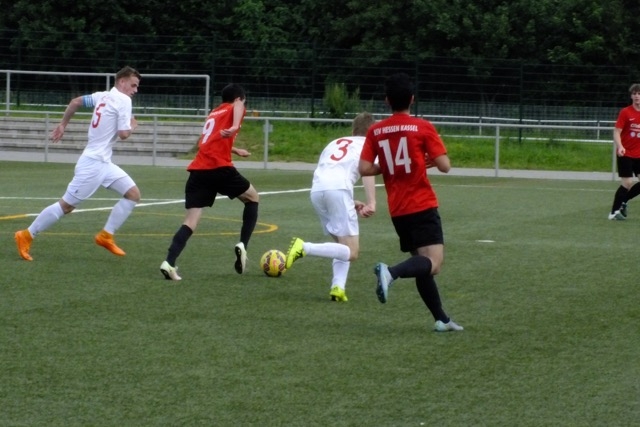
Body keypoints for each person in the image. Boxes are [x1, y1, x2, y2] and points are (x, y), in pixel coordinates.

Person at [358, 72, 463, 332]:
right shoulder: (422, 127)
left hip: (398, 210)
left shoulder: (375, 130)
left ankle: (441, 319)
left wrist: (389, 166)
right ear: (412, 99)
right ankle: (391, 272)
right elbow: (445, 166)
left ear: (387, 100)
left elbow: (365, 168)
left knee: (421, 264)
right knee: (434, 263)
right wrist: (426, 160)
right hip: (421, 204)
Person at [14, 66, 141, 261]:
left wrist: (63, 124)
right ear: (122, 81)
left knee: (133, 194)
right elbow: (123, 134)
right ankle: (26, 235)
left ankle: (106, 235)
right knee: (66, 206)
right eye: (133, 85)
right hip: (93, 165)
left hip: (103, 162)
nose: (135, 90)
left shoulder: (102, 96)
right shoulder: (124, 100)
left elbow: (75, 102)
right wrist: (132, 126)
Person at [159, 83, 258, 280]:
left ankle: (169, 263)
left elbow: (207, 142)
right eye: (243, 101)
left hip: (198, 170)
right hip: (220, 168)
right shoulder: (234, 107)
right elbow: (238, 106)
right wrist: (235, 126)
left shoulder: (214, 113)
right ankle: (243, 245)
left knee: (190, 220)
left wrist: (235, 149)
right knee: (253, 198)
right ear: (238, 98)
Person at [285, 112, 377, 302]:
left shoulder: (334, 143)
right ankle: (304, 247)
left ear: (353, 130)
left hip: (317, 191)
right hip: (338, 190)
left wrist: (350, 201)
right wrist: (372, 202)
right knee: (352, 252)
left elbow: (328, 172)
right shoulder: (367, 145)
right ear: (372, 132)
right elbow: (367, 172)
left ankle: (338, 288)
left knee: (342, 245)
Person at [608, 83, 640, 220]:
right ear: (631, 96)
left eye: (639, 94)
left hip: (639, 155)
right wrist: (620, 146)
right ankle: (613, 213)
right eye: (634, 94)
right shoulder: (626, 112)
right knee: (627, 183)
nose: (637, 96)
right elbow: (617, 132)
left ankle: (624, 201)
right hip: (625, 153)